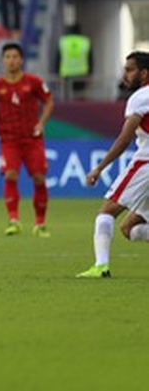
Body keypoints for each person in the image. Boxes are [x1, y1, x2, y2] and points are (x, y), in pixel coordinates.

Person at [77, 51, 149, 278]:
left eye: (130, 70)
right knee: (130, 229)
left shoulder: (140, 97)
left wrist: (100, 168)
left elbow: (125, 138)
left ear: (144, 73)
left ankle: (101, 266)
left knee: (106, 212)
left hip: (146, 162)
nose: (125, 75)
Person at [0, 43, 54, 237]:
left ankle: (40, 223)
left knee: (39, 178)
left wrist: (41, 122)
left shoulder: (34, 82)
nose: (11, 60)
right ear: (3, 60)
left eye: (15, 56)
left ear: (21, 60)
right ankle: (13, 219)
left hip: (32, 139)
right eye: (7, 57)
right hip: (9, 140)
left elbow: (49, 101)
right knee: (10, 175)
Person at [58, 23, 92, 100]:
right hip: (82, 74)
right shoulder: (85, 42)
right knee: (80, 98)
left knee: (66, 99)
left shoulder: (63, 42)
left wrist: (57, 73)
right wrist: (90, 73)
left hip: (66, 74)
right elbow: (90, 60)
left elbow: (58, 59)